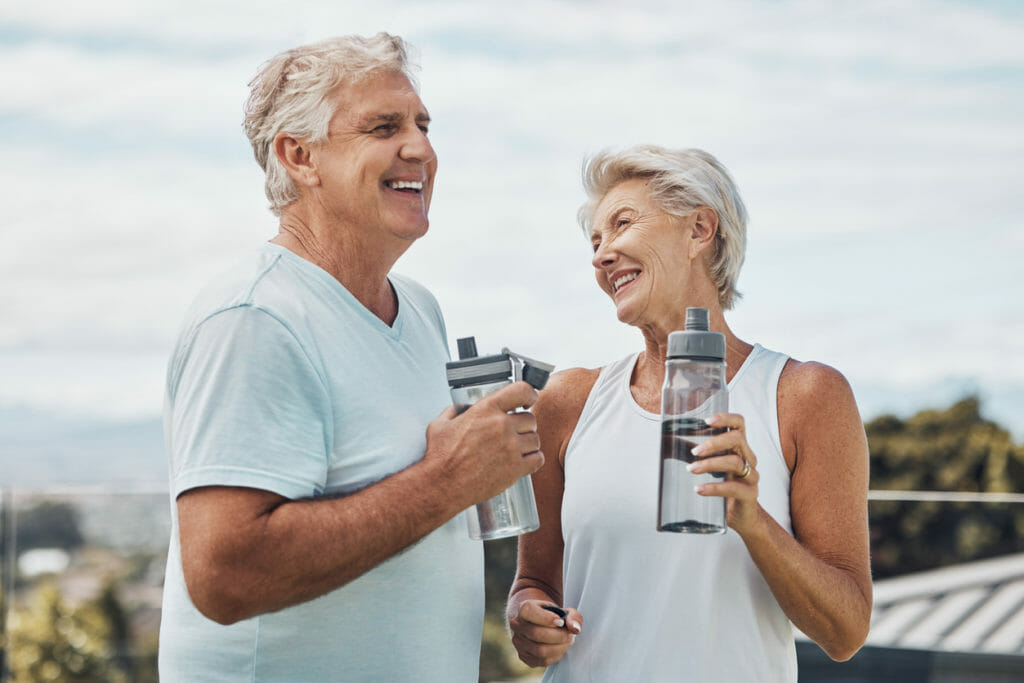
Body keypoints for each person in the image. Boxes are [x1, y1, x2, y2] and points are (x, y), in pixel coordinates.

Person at [158, 33, 544, 682]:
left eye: (423, 124)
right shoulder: (255, 317)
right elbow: (225, 574)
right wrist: (449, 479)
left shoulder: (420, 310)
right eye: (383, 126)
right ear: (299, 156)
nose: (420, 147)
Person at [507, 146, 872, 681]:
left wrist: (750, 519)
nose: (601, 255)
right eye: (595, 241)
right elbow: (532, 582)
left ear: (700, 230)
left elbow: (845, 633)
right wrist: (528, 620)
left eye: (623, 224)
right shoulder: (567, 402)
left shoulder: (804, 396)